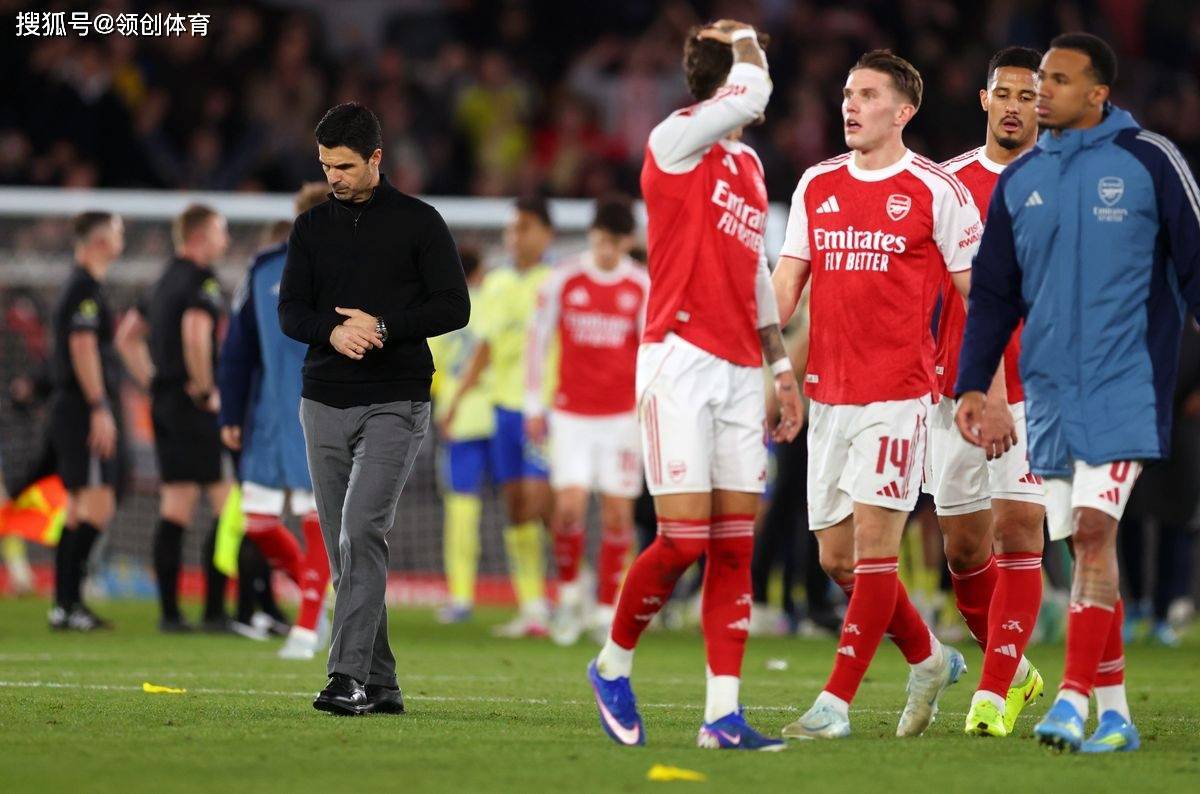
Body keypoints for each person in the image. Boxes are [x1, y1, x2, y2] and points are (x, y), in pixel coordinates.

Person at [955, 33, 1200, 753]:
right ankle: (1116, 715)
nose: (1043, 92)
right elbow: (993, 296)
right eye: (1041, 79)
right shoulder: (1025, 180)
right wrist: (973, 385)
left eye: (1058, 81)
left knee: (1093, 531)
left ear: (1098, 93)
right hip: (1049, 397)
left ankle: (1069, 700)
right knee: (1087, 544)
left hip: (1127, 387)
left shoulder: (1151, 161)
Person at [588, 20, 802, 752]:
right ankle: (611, 665)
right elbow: (756, 88)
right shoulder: (674, 139)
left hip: (742, 370)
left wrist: (781, 369)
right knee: (681, 539)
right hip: (679, 360)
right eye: (749, 71)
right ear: (730, 82)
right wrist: (744, 37)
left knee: (734, 545)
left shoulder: (748, 165)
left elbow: (754, 274)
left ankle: (722, 716)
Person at [772, 50, 982, 740]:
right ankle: (929, 658)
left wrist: (984, 383)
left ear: (903, 110)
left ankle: (834, 703)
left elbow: (978, 295)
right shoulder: (817, 183)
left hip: (899, 394)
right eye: (846, 94)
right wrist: (763, 362)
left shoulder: (935, 189)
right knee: (837, 560)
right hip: (828, 394)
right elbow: (787, 284)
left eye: (866, 94)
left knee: (873, 553)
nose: (850, 105)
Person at [279, 102, 469, 716]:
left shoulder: (420, 222)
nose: (333, 177)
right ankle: (382, 683)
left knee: (361, 529)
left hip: (396, 399)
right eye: (325, 166)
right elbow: (291, 313)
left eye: (344, 166)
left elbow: (455, 306)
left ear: (376, 159)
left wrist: (384, 327)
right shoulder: (310, 229)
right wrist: (332, 333)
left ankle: (346, 678)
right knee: (346, 549)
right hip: (323, 400)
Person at [927, 46, 1048, 738]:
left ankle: (992, 695)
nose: (1013, 107)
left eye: (1027, 97)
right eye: (1004, 94)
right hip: (956, 389)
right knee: (965, 550)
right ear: (984, 99)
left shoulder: (1064, 184)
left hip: (1037, 386)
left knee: (1020, 528)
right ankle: (1019, 671)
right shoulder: (946, 185)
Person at [524, 195, 648, 646]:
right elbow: (537, 341)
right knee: (569, 508)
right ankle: (569, 598)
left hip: (621, 418)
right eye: (599, 241)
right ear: (592, 236)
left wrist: (648, 409)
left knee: (617, 515)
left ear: (628, 242)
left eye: (613, 243)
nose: (605, 250)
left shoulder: (641, 285)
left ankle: (604, 610)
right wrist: (534, 405)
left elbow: (650, 351)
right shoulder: (564, 279)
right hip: (571, 414)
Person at [218, 182, 333, 660]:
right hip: (268, 416)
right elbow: (237, 348)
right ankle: (317, 598)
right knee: (259, 522)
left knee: (315, 516)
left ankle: (306, 628)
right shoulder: (263, 269)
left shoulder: (352, 270)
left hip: (325, 409)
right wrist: (230, 411)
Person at [116, 204, 234, 633]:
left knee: (176, 505)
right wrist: (204, 389)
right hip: (193, 406)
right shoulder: (202, 280)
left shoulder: (162, 279)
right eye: (220, 232)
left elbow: (126, 336)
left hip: (165, 405)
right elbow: (196, 335)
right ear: (200, 236)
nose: (226, 240)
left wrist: (154, 381)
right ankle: (215, 610)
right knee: (227, 505)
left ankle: (170, 613)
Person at [444, 196, 556, 638]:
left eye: (523, 228)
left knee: (551, 505)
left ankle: (576, 591)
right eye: (511, 229)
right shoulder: (497, 284)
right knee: (518, 507)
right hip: (505, 408)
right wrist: (457, 400)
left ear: (546, 233)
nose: (514, 237)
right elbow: (485, 347)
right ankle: (533, 606)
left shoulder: (559, 282)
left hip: (547, 408)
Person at [46, 211, 127, 631]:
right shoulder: (84, 289)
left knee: (78, 510)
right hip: (81, 409)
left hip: (72, 407)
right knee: (99, 505)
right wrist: (98, 407)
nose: (121, 239)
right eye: (117, 232)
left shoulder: (79, 285)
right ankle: (69, 602)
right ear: (100, 241)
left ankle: (65, 605)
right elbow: (82, 346)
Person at [429, 245, 493, 624]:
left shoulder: (441, 311)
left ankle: (461, 597)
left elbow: (431, 370)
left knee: (461, 510)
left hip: (460, 421)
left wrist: (445, 402)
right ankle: (539, 600)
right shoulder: (493, 302)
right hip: (500, 412)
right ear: (480, 271)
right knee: (527, 507)